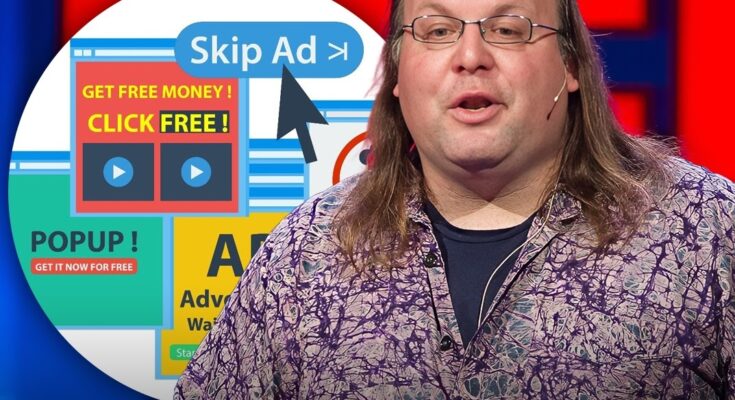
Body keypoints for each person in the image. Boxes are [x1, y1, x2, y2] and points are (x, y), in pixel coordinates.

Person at [174, 0, 735, 398]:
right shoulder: (309, 250)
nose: (470, 55)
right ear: (398, 72)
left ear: (570, 67)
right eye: (437, 30)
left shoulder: (705, 230)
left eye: (508, 29)